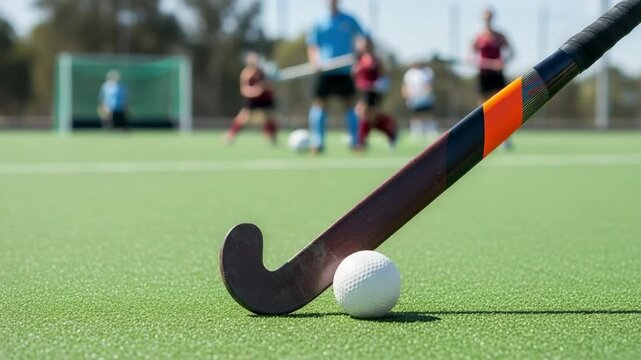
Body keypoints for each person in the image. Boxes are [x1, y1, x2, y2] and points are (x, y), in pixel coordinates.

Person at [307, 0, 365, 153]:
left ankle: (355, 142)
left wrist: (360, 49)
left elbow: (361, 37)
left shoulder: (349, 19)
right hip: (325, 70)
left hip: (345, 70)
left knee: (349, 104)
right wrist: (315, 62)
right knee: (320, 104)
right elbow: (313, 45)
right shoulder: (319, 22)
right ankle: (318, 142)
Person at [471, 8, 514, 149]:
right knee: (483, 107)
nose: (487, 19)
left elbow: (512, 53)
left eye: (489, 17)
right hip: (483, 75)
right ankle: (482, 138)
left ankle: (505, 139)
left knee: (501, 104)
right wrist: (486, 63)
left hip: (497, 75)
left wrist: (502, 63)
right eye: (485, 17)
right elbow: (470, 57)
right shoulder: (478, 37)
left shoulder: (500, 36)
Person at [353, 36, 397, 150]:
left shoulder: (375, 59)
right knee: (370, 117)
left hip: (373, 91)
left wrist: (380, 84)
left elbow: (382, 74)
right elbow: (356, 76)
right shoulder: (359, 59)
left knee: (362, 112)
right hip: (364, 91)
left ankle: (361, 142)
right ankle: (390, 130)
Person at [225, 52, 278, 145]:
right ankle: (230, 136)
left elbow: (270, 85)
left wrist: (267, 86)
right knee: (244, 118)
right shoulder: (246, 73)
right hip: (253, 99)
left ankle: (271, 138)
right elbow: (243, 89)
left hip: (265, 98)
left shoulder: (263, 72)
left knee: (270, 117)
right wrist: (254, 91)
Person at [402, 62, 436, 140]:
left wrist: (426, 94)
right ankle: (416, 133)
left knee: (427, 114)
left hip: (425, 97)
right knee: (415, 115)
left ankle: (430, 132)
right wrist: (407, 95)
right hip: (413, 98)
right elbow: (405, 86)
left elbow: (429, 85)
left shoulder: (428, 71)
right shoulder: (409, 73)